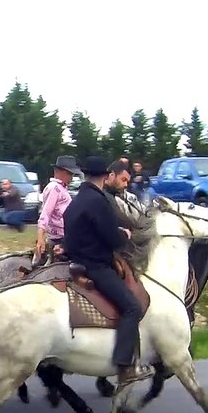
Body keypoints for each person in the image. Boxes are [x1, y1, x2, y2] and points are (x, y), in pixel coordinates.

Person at [62, 156, 152, 387]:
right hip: (96, 266)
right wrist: (125, 234)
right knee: (132, 307)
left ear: (85, 175)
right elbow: (113, 239)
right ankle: (124, 367)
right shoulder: (98, 201)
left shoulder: (77, 200)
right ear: (106, 176)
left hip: (76, 262)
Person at [34, 155, 79, 267]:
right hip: (60, 238)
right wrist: (40, 238)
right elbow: (46, 213)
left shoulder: (61, 188)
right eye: (70, 174)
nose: (72, 177)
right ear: (61, 172)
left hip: (64, 235)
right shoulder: (55, 188)